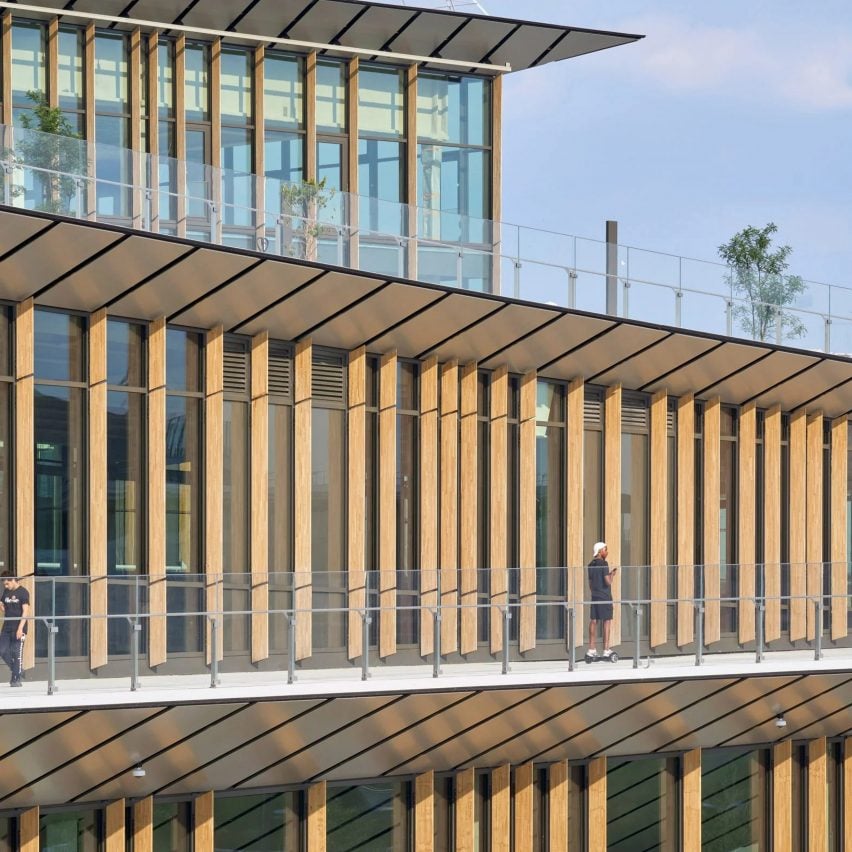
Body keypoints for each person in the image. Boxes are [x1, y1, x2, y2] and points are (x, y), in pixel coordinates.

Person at [587, 542, 616, 659]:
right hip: (605, 597)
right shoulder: (604, 564)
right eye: (605, 550)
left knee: (594, 620)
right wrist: (612, 575)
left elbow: (590, 584)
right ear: (600, 551)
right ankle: (606, 649)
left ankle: (592, 648)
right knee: (607, 621)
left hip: (595, 596)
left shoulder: (590, 565)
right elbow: (607, 582)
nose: (607, 552)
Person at [0, 571, 29, 687]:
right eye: (4, 584)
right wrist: (1, 605)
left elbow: (26, 611)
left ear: (13, 580)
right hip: (7, 626)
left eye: (7, 584)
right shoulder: (6, 591)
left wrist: (20, 628)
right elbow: (3, 605)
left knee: (16, 653)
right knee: (2, 650)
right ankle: (17, 670)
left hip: (19, 627)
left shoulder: (23, 592)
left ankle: (16, 679)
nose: (5, 586)